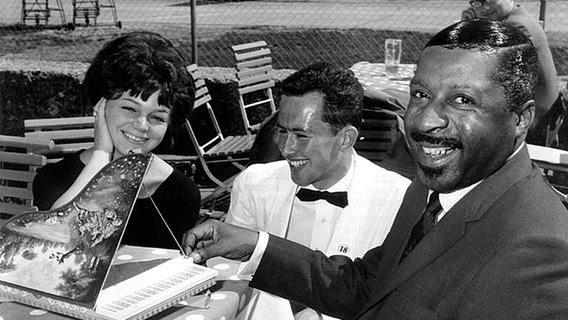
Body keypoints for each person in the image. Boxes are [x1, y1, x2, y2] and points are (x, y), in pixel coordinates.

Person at [182, 20, 568, 319]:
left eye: (462, 100)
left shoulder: (541, 250)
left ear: (520, 119)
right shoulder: (429, 189)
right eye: (420, 94)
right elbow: (370, 287)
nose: (425, 121)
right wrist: (253, 244)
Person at [226, 62, 411, 319]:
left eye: (301, 136)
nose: (286, 148)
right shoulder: (254, 183)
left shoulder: (399, 199)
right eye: (281, 131)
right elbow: (232, 277)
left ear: (346, 138)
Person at [33, 31, 201, 250]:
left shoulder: (180, 193)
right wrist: (101, 156)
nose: (142, 125)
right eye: (129, 108)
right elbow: (51, 245)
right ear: (100, 106)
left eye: (157, 117)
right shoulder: (55, 179)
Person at [461, 0, 566, 147]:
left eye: (489, 1)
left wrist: (470, 29)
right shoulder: (514, 19)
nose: (484, 8)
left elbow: (488, 72)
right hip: (534, 112)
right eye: (477, 3)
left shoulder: (516, 26)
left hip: (535, 121)